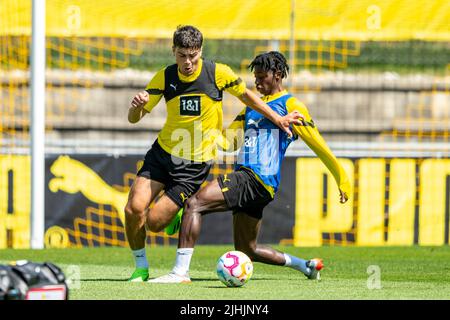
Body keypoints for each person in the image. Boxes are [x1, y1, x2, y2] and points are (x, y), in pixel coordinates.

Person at [149, 51, 351, 283]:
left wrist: (341, 178)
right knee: (248, 250)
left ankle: (180, 273)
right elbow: (229, 142)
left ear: (277, 75)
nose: (256, 82)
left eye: (262, 76)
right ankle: (306, 266)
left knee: (195, 204)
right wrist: (207, 130)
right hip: (261, 187)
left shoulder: (291, 105)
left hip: (254, 177)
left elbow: (317, 143)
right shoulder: (250, 108)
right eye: (254, 77)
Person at [125, 27, 301, 282]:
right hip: (163, 153)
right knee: (133, 209)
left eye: (193, 56)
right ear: (173, 51)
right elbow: (134, 119)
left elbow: (249, 98)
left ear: (201, 52)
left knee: (153, 223)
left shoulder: (218, 73)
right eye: (182, 55)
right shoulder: (164, 77)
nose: (187, 62)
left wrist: (277, 117)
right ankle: (141, 268)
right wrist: (135, 108)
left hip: (193, 164)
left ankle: (174, 216)